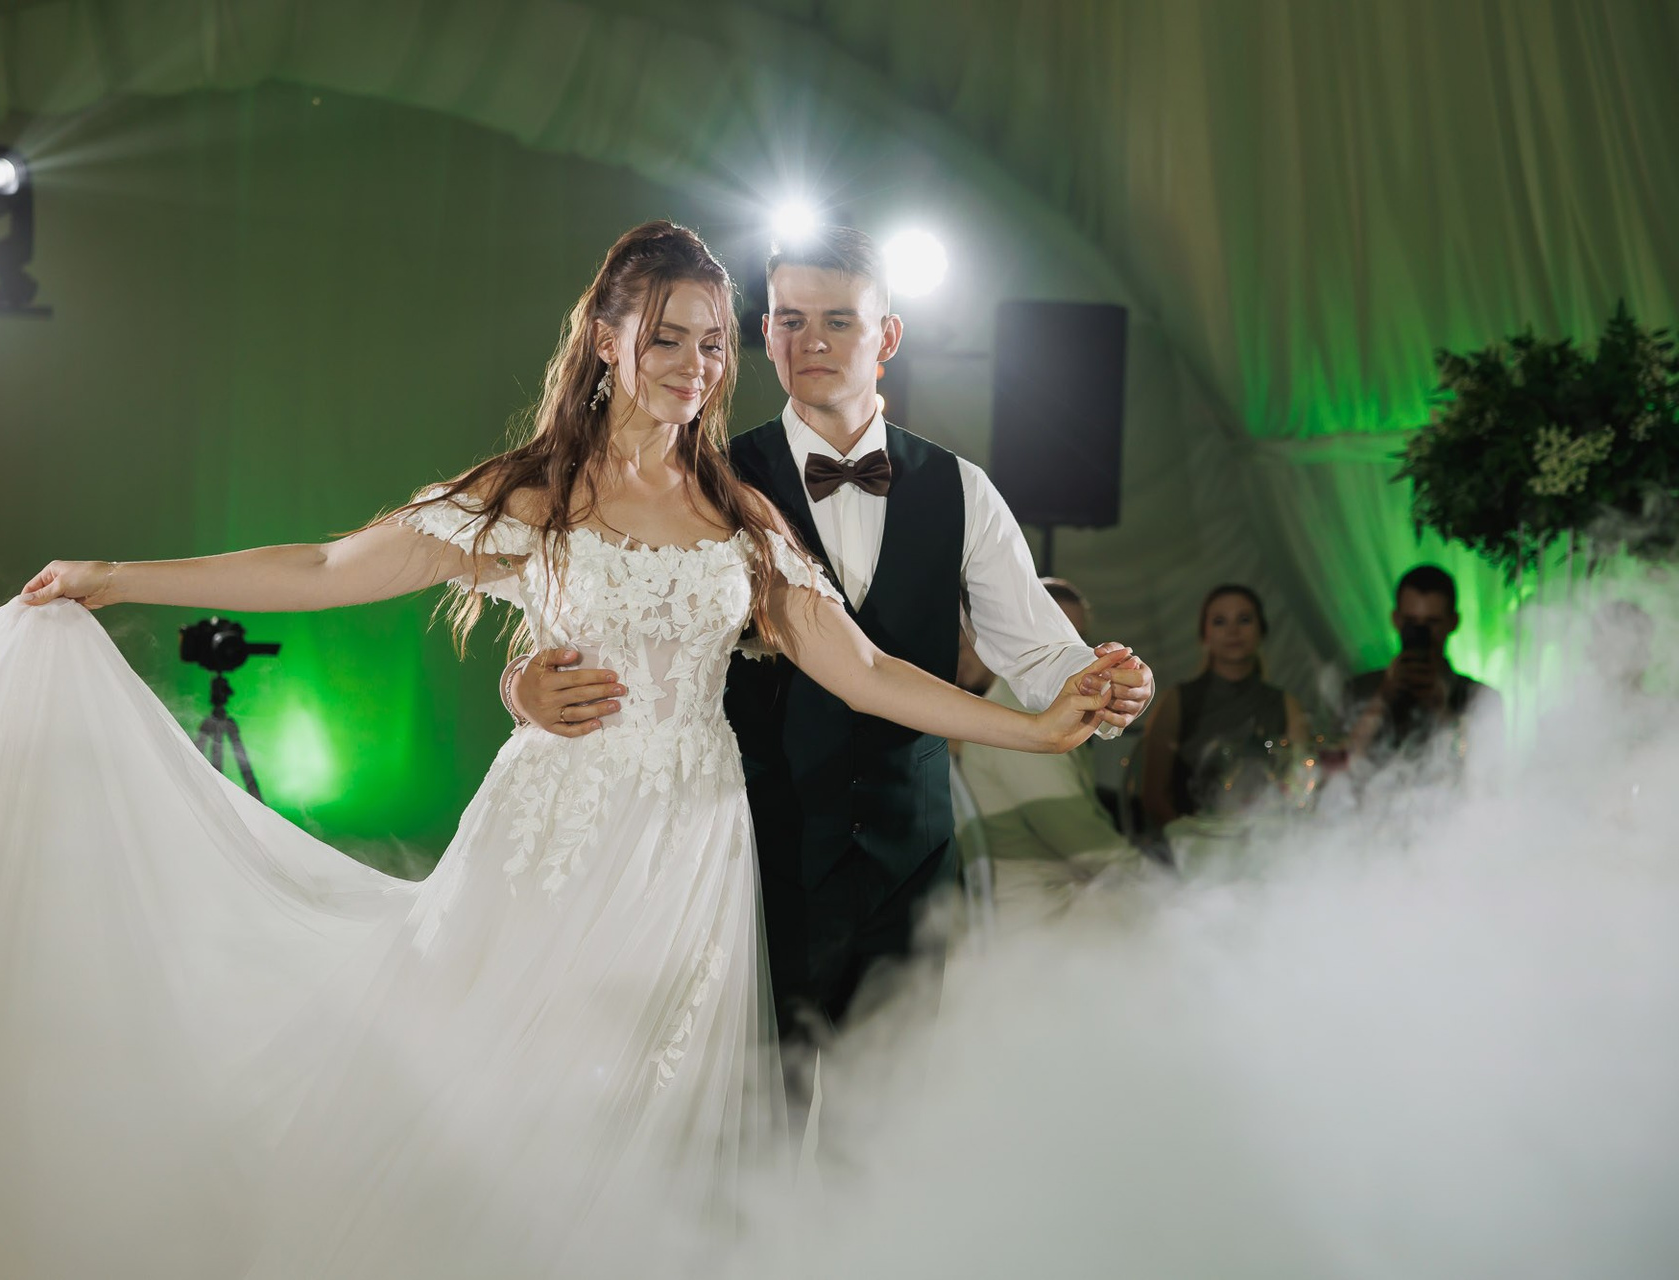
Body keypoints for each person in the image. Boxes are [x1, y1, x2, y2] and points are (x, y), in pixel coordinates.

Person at [0, 221, 1128, 1280]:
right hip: (556, 843)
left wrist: (1034, 723)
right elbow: (329, 565)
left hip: (698, 853)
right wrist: (120, 574)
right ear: (607, 337)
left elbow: (868, 670)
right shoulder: (531, 491)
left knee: (657, 1128)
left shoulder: (743, 511)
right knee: (513, 1108)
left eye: (717, 343)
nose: (697, 365)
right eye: (669, 336)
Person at [506, 227, 1156, 1121]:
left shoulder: (960, 489)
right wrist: (521, 686)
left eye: (839, 320)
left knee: (885, 1128)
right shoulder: (703, 483)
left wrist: (1104, 685)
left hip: (906, 862)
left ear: (888, 336)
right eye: (791, 320)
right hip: (744, 855)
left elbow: (1040, 652)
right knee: (740, 1123)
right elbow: (598, 611)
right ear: (765, 336)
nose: (812, 340)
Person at [953, 579, 1138, 924]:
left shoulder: (1020, 707)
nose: (1074, 656)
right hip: (1047, 919)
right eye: (1058, 638)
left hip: (1054, 903)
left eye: (1080, 643)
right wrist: (1166, 885)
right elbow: (1084, 845)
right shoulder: (1016, 712)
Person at [1139, 583, 1309, 829]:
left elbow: (1301, 785)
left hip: (1268, 838)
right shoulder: (1177, 701)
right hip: (1193, 840)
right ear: (1205, 635)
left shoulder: (1286, 704)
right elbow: (1154, 796)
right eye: (1220, 621)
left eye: (1244, 619)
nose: (1233, 631)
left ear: (1261, 630)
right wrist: (1191, 840)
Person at [1346, 564, 1501, 762]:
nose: (1421, 632)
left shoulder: (1480, 698)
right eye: (1411, 622)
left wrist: (1442, 711)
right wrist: (1381, 699)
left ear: (1453, 622)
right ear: (1396, 620)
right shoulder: (1358, 691)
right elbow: (1337, 763)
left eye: (1432, 622)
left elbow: (1486, 768)